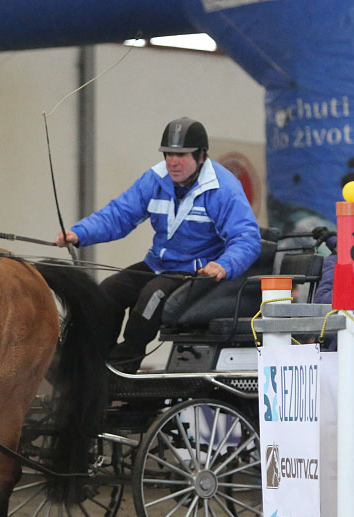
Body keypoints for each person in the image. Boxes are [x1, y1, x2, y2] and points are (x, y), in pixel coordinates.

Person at [56, 117, 261, 372]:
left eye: (181, 155)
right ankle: (95, 363)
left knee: (153, 296)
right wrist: (79, 233)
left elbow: (246, 238)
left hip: (196, 274)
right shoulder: (155, 179)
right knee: (107, 291)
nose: (172, 162)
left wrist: (223, 265)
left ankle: (123, 367)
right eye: (168, 154)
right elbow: (120, 214)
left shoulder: (223, 187)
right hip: (157, 264)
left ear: (201, 156)